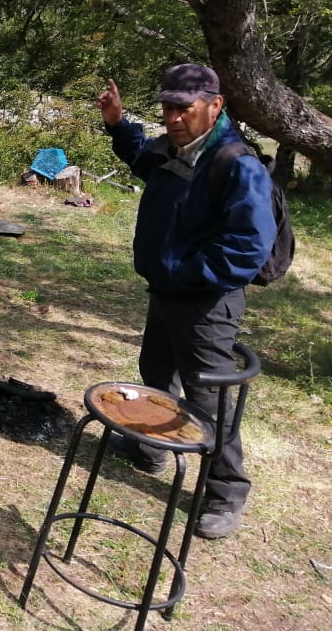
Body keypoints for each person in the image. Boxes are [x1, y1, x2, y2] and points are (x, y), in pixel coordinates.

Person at [97, 63, 277, 539]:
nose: (174, 117)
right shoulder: (176, 148)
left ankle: (225, 492)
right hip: (167, 291)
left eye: (184, 108)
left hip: (206, 303)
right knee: (157, 374)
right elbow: (142, 160)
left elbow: (247, 245)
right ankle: (151, 450)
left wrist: (183, 273)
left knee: (209, 401)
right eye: (168, 107)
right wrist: (118, 124)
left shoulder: (235, 162)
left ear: (214, 106)